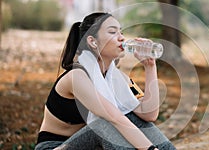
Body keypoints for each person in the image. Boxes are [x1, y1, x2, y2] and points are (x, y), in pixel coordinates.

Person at [34, 12, 176, 150]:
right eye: (112, 32)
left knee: (129, 116)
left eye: (121, 32)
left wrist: (150, 66)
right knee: (105, 123)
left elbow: (148, 114)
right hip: (56, 147)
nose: (121, 38)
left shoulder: (116, 78)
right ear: (93, 41)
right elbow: (114, 118)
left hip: (91, 145)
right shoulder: (76, 77)